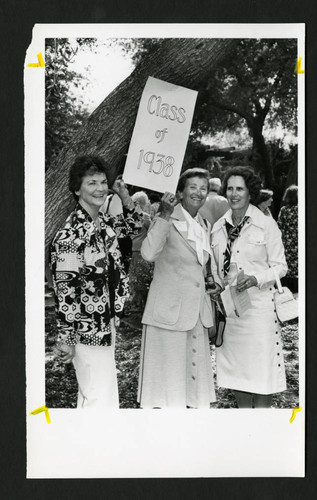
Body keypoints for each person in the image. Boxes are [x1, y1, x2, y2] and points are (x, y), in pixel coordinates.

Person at [50, 155, 143, 409]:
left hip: (106, 323)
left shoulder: (102, 224)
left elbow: (136, 225)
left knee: (94, 393)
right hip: (86, 330)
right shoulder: (71, 234)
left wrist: (124, 195)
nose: (100, 188)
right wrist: (66, 337)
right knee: (99, 398)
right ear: (76, 189)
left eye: (103, 182)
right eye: (91, 183)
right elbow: (65, 291)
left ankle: (88, 446)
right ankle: (97, 448)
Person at [138, 168, 221, 409]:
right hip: (169, 314)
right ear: (181, 192)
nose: (199, 192)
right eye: (193, 187)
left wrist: (214, 282)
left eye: (203, 188)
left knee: (192, 389)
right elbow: (148, 253)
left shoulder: (204, 223)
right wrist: (163, 215)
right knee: (168, 387)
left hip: (196, 314)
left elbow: (205, 265)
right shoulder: (166, 217)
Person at [211, 166, 288, 408]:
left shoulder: (266, 225)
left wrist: (256, 278)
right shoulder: (218, 228)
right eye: (230, 188)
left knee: (261, 373)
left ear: (250, 192)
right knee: (237, 373)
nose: (234, 194)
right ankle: (245, 421)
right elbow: (215, 268)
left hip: (258, 313)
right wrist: (215, 284)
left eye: (240, 189)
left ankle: (263, 424)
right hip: (232, 313)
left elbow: (281, 267)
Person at [128, 191, 154, 312]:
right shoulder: (145, 217)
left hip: (129, 249)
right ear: (144, 203)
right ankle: (138, 305)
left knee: (132, 277)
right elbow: (152, 232)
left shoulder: (129, 215)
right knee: (140, 278)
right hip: (140, 251)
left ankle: (132, 304)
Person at [277, 184, 298, 294]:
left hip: (287, 242)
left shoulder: (284, 210)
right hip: (298, 241)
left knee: (288, 264)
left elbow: (279, 226)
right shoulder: (301, 209)